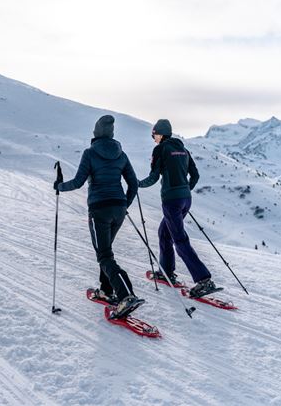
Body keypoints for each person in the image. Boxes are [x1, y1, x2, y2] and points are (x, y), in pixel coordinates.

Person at [54, 115, 144, 318]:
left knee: (104, 255)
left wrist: (59, 186)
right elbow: (134, 184)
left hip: (99, 210)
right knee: (107, 251)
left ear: (95, 133)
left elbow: (78, 182)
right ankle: (106, 291)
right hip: (118, 209)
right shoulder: (121, 154)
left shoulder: (90, 153)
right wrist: (124, 204)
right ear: (111, 133)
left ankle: (126, 295)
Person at [138, 119, 219, 298]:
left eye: (154, 135)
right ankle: (166, 271)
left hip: (171, 201)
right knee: (164, 233)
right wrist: (184, 190)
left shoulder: (160, 149)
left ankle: (203, 280)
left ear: (160, 134)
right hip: (185, 200)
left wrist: (137, 184)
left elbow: (153, 176)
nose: (153, 138)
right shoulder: (183, 150)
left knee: (179, 240)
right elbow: (195, 175)